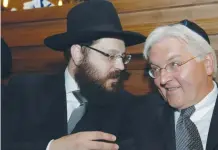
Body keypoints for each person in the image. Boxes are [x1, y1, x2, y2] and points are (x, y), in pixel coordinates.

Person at [3, 1, 145, 150]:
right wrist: (51, 147)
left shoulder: (127, 106)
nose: (121, 66)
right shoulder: (24, 91)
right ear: (77, 54)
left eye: (122, 57)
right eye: (110, 55)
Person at [133, 19, 218, 150]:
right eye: (156, 69)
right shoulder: (139, 115)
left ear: (208, 64)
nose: (162, 79)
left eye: (174, 64)